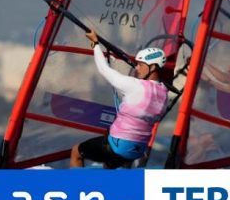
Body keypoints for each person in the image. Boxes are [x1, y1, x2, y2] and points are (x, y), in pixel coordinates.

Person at [69, 31, 169, 169]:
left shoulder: (135, 85)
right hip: (138, 150)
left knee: (76, 152)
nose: (136, 68)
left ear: (152, 67)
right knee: (109, 163)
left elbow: (104, 69)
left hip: (118, 145)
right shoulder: (164, 93)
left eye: (141, 64)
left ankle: (74, 182)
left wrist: (95, 43)